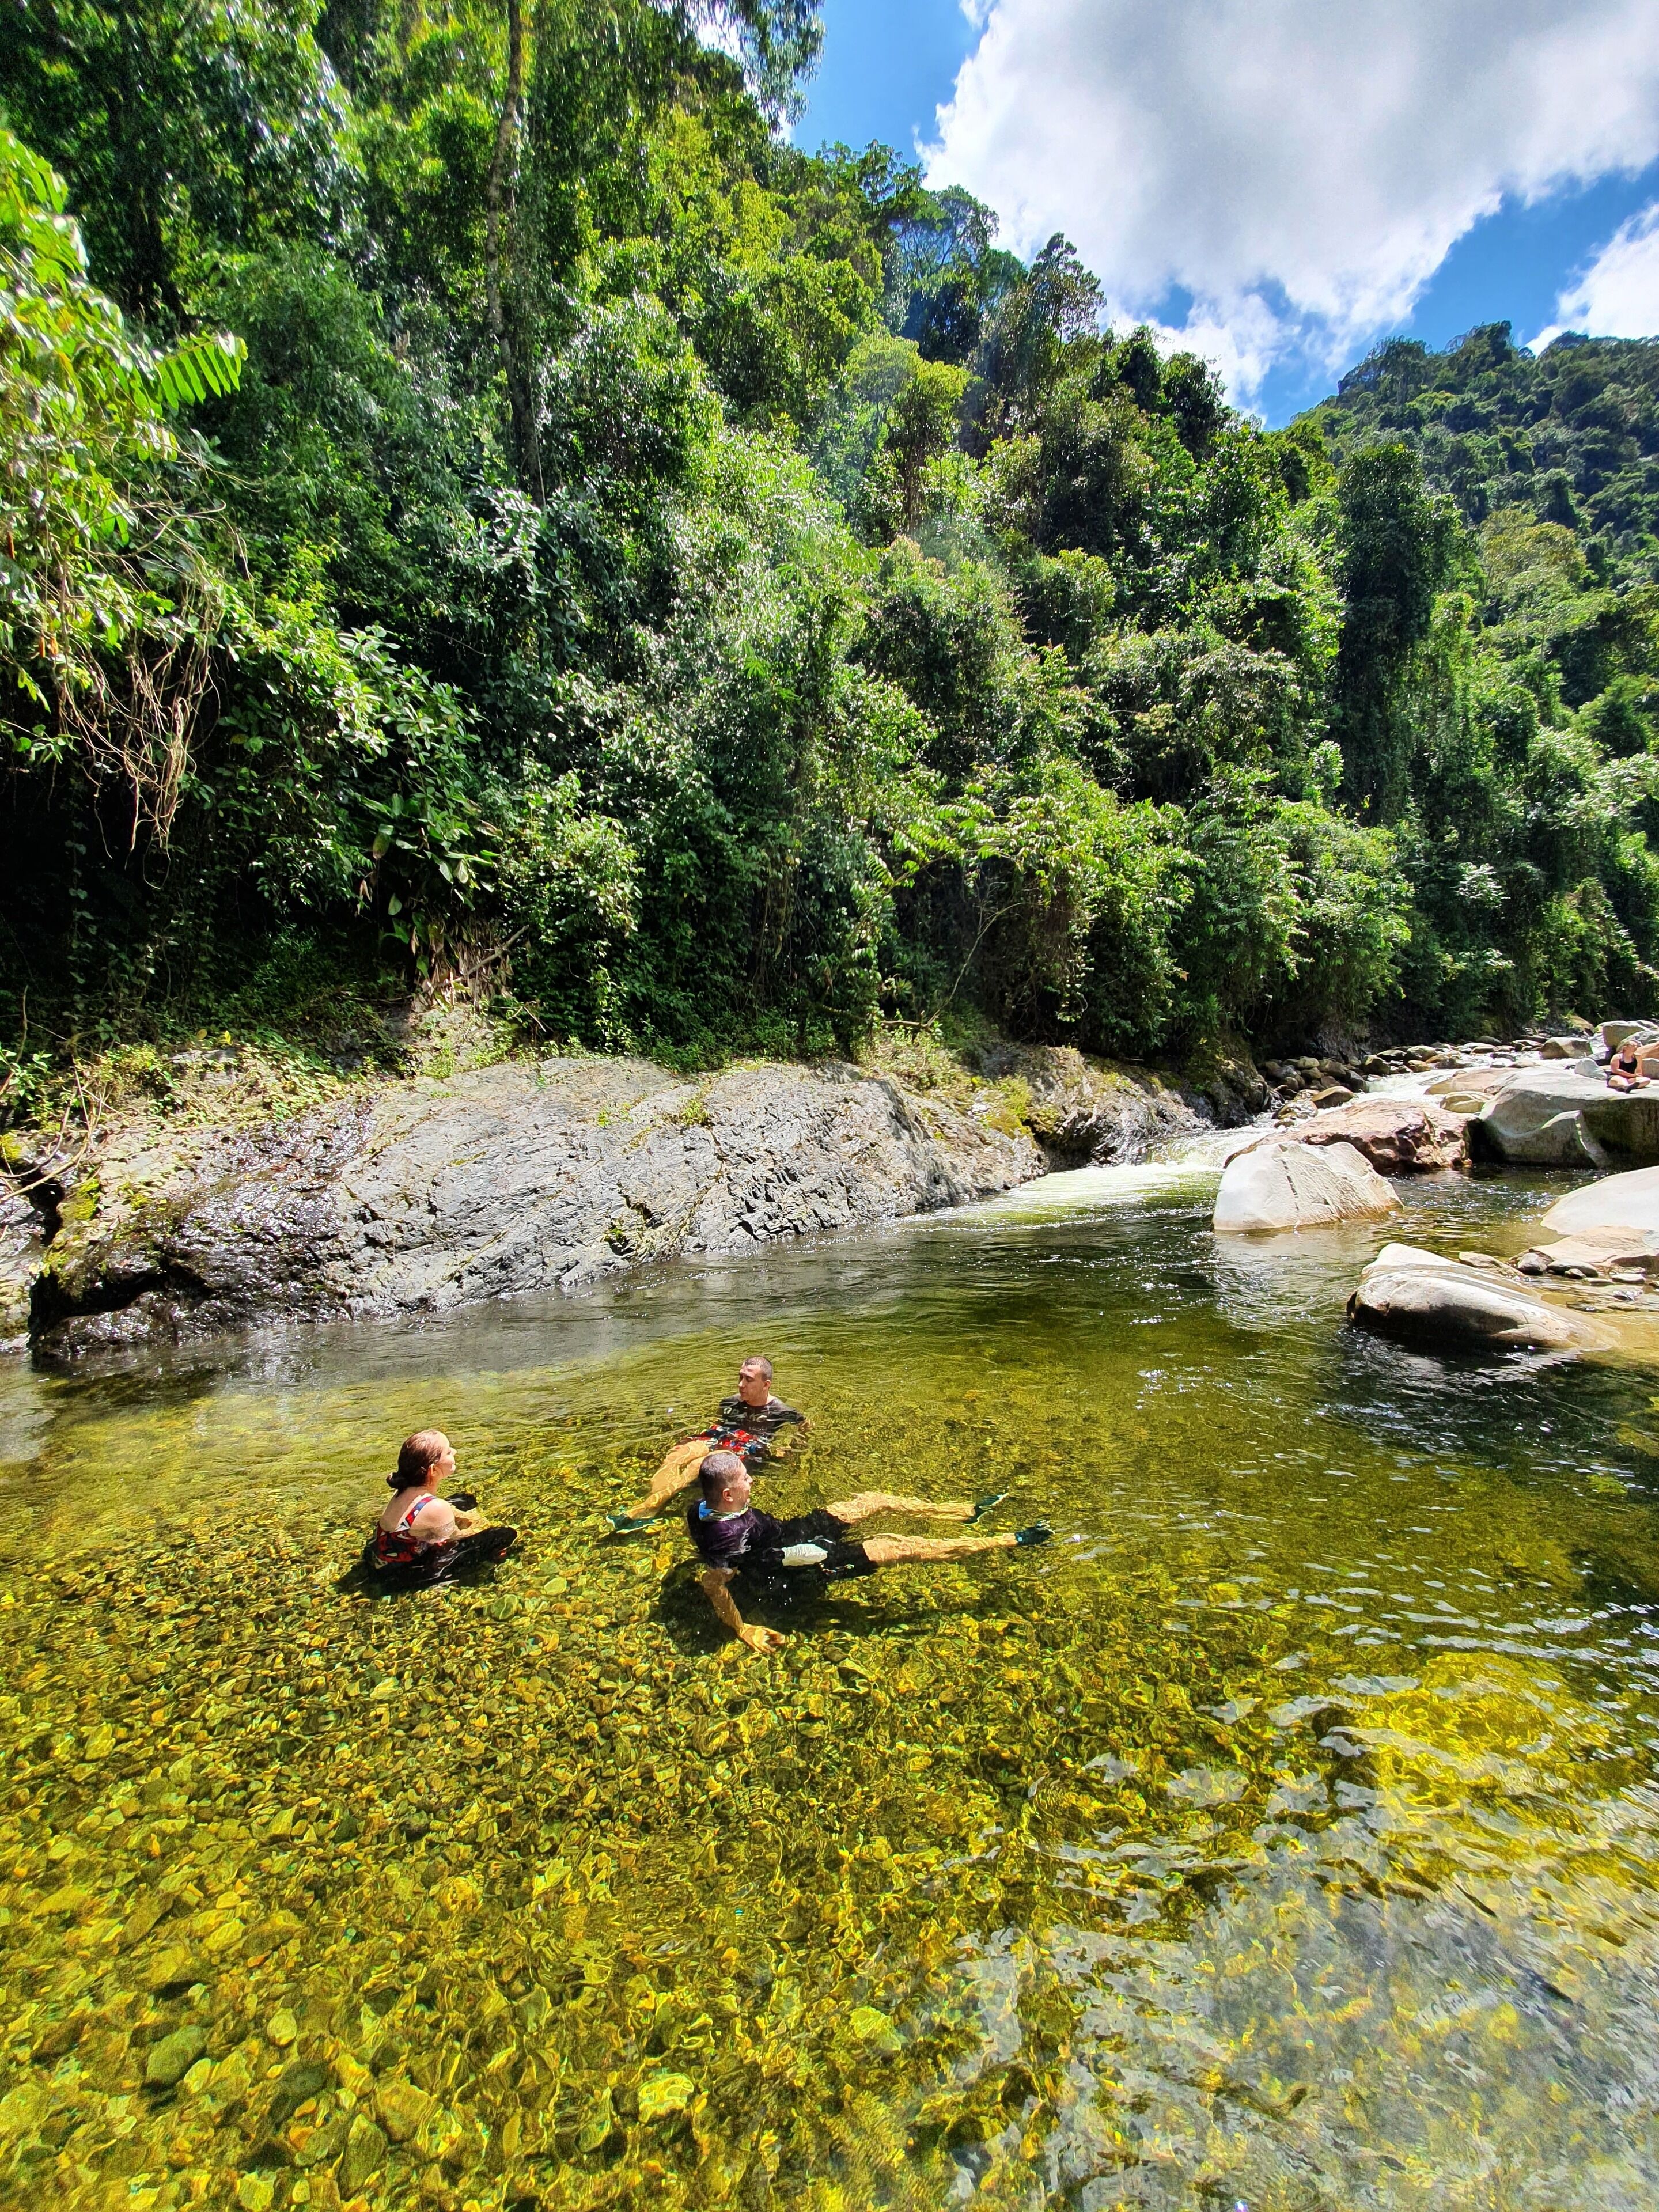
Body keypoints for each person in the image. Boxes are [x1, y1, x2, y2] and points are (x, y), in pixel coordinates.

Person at [685, 1449, 1050, 1653]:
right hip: (799, 1564)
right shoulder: (729, 1539)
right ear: (729, 1495)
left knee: (871, 1501)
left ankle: (964, 1514)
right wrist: (743, 1628)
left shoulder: (701, 1508)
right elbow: (714, 1585)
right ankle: (1008, 1541)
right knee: (897, 1546)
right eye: (745, 1479)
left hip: (786, 1533)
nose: (752, 1481)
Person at [608, 1354, 807, 1534]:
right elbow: (719, 1426)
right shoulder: (730, 1402)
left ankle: (648, 1507)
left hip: (746, 1443)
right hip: (720, 1436)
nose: (741, 1384)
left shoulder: (780, 1411)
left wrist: (791, 1449)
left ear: (766, 1385)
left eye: (749, 1380)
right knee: (677, 1455)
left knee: (698, 1465)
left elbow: (806, 1425)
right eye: (740, 1377)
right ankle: (653, 1502)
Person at [365, 1430, 518, 1585]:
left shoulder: (404, 1490)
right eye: (448, 1451)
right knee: (502, 1535)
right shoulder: (438, 1508)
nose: (455, 1451)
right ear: (433, 1470)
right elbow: (457, 1538)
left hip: (381, 1560)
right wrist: (481, 1523)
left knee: (464, 1499)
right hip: (403, 1573)